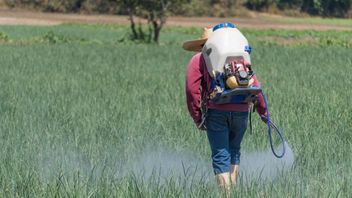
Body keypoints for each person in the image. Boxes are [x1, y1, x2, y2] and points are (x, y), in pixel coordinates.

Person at [182, 23, 267, 190]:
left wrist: (198, 117)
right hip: (242, 111)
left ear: (203, 45)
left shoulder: (198, 59)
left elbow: (192, 91)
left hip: (217, 111)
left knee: (221, 155)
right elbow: (255, 86)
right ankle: (233, 191)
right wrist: (264, 114)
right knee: (234, 152)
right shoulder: (238, 58)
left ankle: (226, 195)